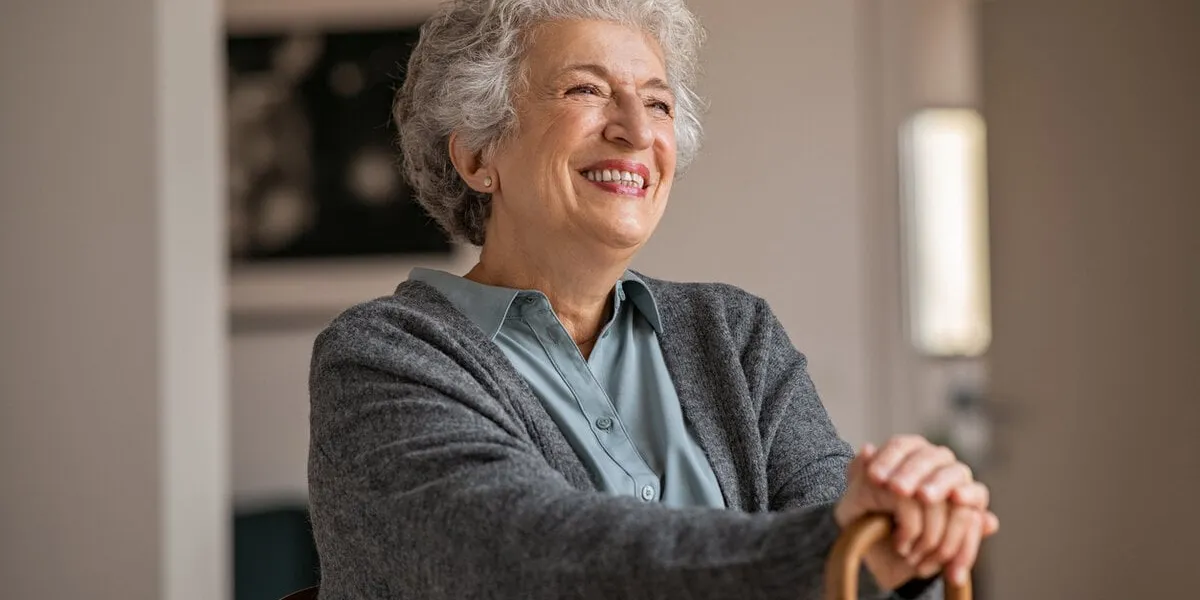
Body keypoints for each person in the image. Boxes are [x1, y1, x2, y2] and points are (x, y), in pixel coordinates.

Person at [307, 0, 999, 598]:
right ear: (477, 157)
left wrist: (909, 526)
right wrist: (838, 547)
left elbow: (861, 562)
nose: (637, 131)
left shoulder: (734, 333)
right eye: (585, 90)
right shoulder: (381, 355)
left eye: (659, 101)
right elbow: (522, 561)